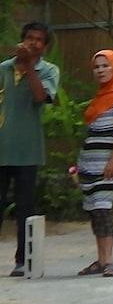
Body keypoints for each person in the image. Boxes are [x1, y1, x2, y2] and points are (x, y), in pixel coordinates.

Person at [0, 21, 59, 277]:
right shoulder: (3, 69)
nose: (33, 42)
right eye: (29, 38)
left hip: (28, 151)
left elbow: (39, 98)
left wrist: (30, 68)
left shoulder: (49, 71)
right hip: (2, 148)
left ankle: (22, 260)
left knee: (25, 206)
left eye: (39, 40)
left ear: (45, 47)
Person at [75, 49, 113, 278]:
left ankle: (109, 261)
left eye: (105, 65)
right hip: (89, 165)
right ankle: (100, 261)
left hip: (108, 165)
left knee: (103, 209)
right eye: (96, 67)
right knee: (94, 211)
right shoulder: (100, 98)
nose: (100, 70)